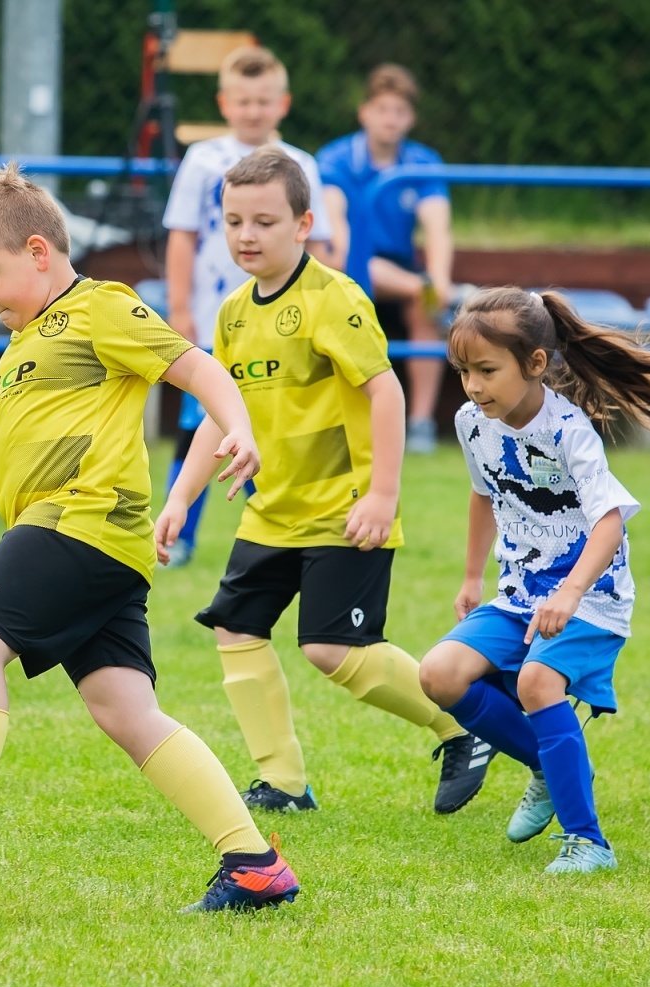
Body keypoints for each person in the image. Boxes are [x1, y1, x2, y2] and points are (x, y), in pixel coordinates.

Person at [0, 163, 301, 915]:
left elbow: (201, 370)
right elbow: (11, 445)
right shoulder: (25, 346)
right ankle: (254, 863)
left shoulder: (101, 309)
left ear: (36, 251)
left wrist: (241, 428)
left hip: (79, 520)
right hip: (98, 545)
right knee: (127, 710)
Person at [156, 148, 493, 817]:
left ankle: (462, 725)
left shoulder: (333, 298)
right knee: (236, 629)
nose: (246, 235)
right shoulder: (231, 313)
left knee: (332, 649)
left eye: (264, 221)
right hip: (273, 510)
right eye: (233, 221)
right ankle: (282, 784)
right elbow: (220, 419)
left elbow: (386, 394)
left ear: (304, 223)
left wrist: (383, 495)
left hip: (347, 507)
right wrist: (178, 497)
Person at [418, 288, 650, 873]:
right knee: (439, 674)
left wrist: (570, 593)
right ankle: (549, 761)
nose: (472, 386)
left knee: (538, 683)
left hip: (592, 596)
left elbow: (610, 523)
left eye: (487, 371)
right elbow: (483, 494)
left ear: (535, 364)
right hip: (519, 595)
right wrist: (471, 576)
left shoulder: (569, 431)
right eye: (463, 371)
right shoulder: (473, 423)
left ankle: (588, 842)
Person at [160, 45, 344, 568]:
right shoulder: (201, 160)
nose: (253, 111)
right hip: (215, 322)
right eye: (243, 101)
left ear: (282, 104)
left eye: (263, 101)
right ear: (224, 103)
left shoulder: (302, 165)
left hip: (284, 326)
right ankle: (181, 536)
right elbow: (181, 238)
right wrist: (180, 309)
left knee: (277, 423)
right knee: (201, 424)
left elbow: (322, 247)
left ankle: (287, 530)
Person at [316, 64, 455, 455]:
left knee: (426, 305)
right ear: (364, 112)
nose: (390, 119)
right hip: (349, 267)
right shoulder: (335, 159)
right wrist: (426, 285)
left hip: (401, 268)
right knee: (354, 271)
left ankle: (422, 423)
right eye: (382, 109)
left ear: (410, 118)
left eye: (399, 111)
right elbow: (338, 238)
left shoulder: (424, 161)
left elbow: (438, 229)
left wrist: (440, 281)